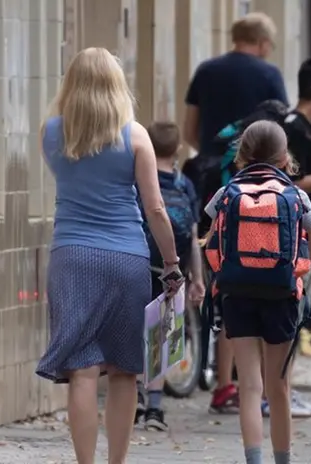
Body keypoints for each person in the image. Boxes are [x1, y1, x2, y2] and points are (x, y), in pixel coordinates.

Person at [35, 47, 184, 464]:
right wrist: (171, 263)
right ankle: (116, 461)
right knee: (124, 369)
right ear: (117, 84)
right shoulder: (135, 135)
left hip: (71, 256)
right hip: (126, 259)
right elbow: (155, 208)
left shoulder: (51, 133)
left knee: (81, 369)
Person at [182, 11, 287, 413]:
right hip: (259, 187)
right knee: (260, 272)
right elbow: (280, 130)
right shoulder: (269, 75)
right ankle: (256, 381)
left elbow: (191, 130)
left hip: (214, 182)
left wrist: (215, 155)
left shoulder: (206, 71)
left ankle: (224, 381)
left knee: (221, 277)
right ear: (262, 42)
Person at [203, 120, 311, 464]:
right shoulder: (296, 196)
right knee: (278, 388)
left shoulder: (226, 195)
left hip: (237, 296)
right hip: (282, 297)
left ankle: (253, 459)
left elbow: (212, 246)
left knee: (250, 388)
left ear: (242, 155)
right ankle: (283, 459)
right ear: (285, 158)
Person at [259, 56, 311, 419]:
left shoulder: (303, 129)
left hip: (303, 229)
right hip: (289, 238)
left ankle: (282, 390)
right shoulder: (293, 129)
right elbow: (283, 181)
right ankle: (276, 392)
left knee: (294, 315)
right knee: (289, 313)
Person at [134, 122, 206, 431]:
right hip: (172, 270)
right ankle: (155, 407)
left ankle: (135, 392)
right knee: (162, 337)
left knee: (136, 330)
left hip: (139, 263)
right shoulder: (185, 185)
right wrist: (197, 278)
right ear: (177, 149)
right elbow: (192, 236)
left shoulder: (137, 179)